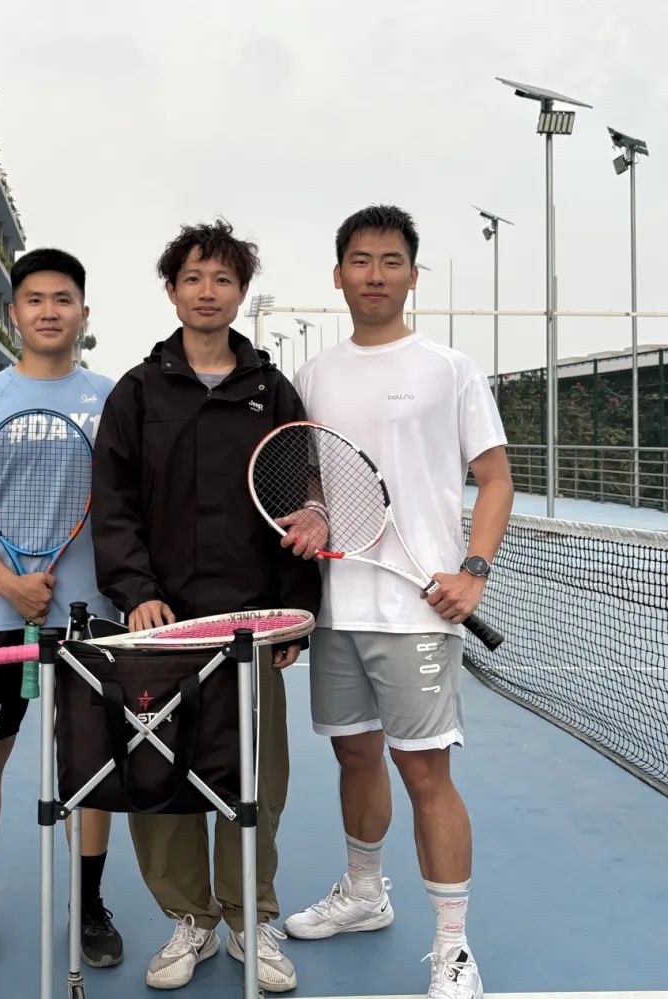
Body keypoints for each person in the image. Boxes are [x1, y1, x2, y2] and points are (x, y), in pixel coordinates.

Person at [281, 205, 513, 999]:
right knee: (354, 754)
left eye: (389, 261)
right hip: (337, 607)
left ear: (413, 274)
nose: (374, 274)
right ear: (337, 273)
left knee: (424, 772)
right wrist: (315, 512)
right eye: (360, 260)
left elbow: (495, 477)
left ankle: (452, 946)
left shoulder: (451, 368)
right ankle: (363, 891)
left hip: (418, 611)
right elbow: (314, 480)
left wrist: (473, 571)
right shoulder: (313, 376)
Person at [91, 219, 321, 992]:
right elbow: (114, 503)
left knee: (257, 782)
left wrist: (294, 612)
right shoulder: (138, 391)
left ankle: (251, 917)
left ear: (241, 293)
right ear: (172, 290)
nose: (207, 291)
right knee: (160, 780)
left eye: (223, 279)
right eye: (193, 277)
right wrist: (138, 593)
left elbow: (296, 508)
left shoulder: (272, 392)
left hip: (251, 632)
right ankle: (189, 918)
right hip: (162, 632)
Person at [0, 248, 124, 971]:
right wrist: (8, 585)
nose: (49, 311)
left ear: (84, 313)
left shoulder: (113, 399)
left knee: (90, 765)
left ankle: (89, 903)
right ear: (13, 314)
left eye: (63, 299)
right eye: (34, 299)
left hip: (92, 616)